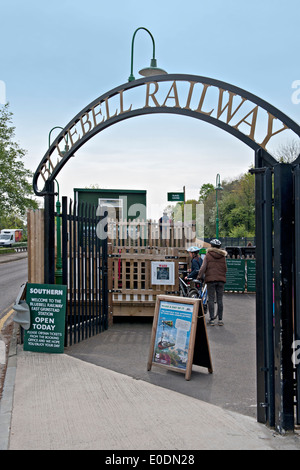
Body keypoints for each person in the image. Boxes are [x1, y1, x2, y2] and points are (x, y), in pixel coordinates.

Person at [197, 239, 227, 326]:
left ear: (211, 246)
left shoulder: (208, 255)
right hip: (221, 280)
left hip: (211, 280)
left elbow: (203, 267)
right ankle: (220, 320)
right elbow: (225, 269)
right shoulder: (223, 256)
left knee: (211, 299)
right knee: (219, 300)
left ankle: (212, 320)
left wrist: (199, 276)